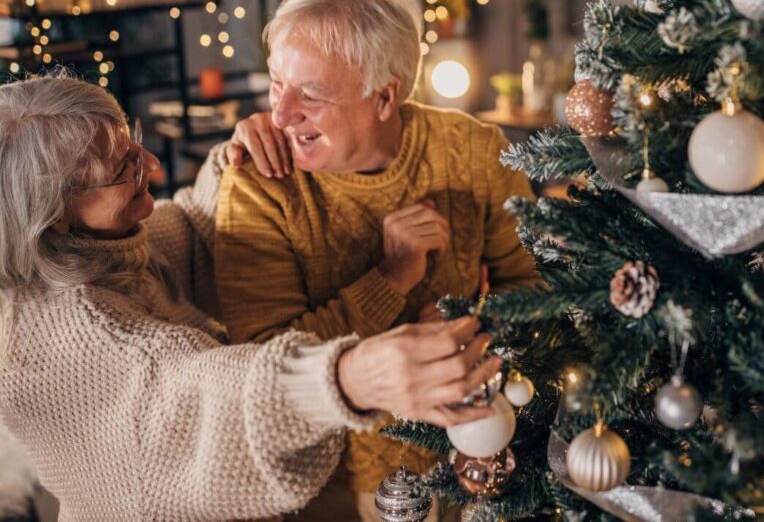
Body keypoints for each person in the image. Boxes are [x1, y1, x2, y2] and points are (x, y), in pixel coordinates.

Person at [0, 75, 500, 522]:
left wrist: (239, 160)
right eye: (123, 167)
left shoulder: (103, 247)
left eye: (136, 144)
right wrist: (351, 376)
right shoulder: (64, 334)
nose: (151, 164)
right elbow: (212, 395)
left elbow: (193, 232)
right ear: (53, 213)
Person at [215, 0, 539, 520]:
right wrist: (388, 281)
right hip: (327, 483)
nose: (281, 114)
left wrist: (480, 328)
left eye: (310, 94)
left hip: (479, 459)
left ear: (385, 95)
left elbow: (535, 284)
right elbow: (264, 370)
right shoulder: (258, 185)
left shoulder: (473, 151)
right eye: (276, 84)